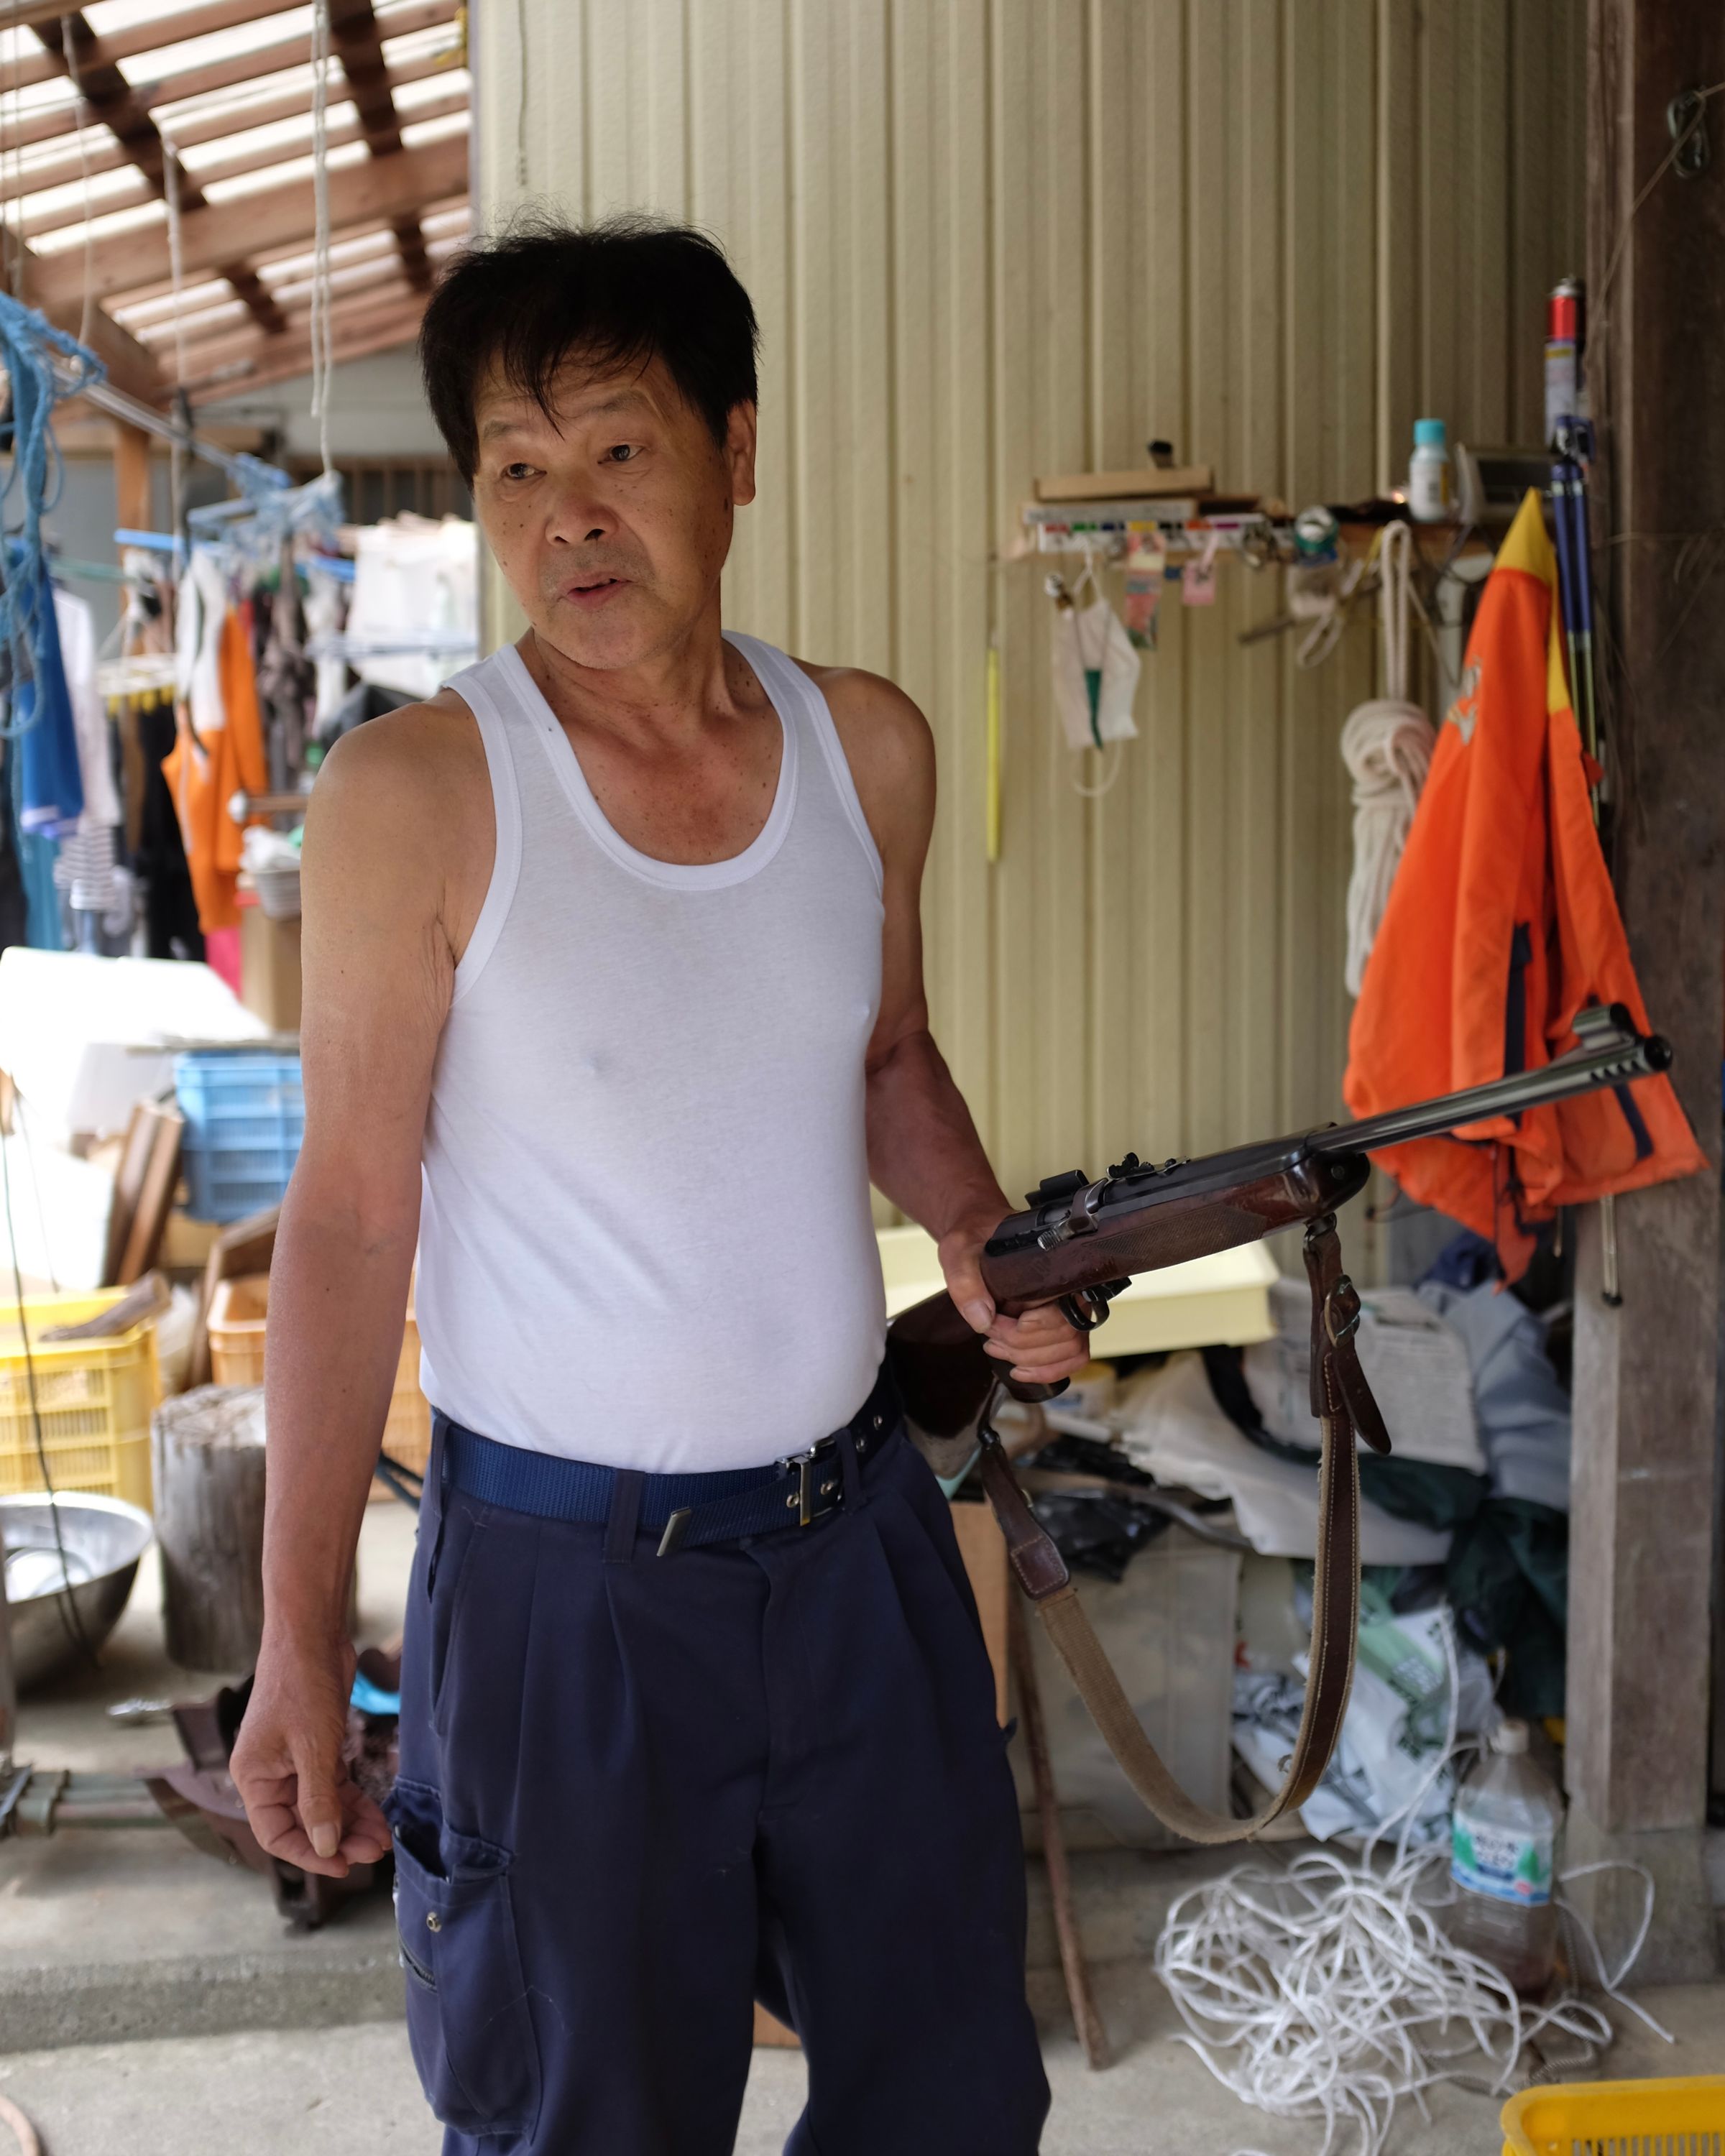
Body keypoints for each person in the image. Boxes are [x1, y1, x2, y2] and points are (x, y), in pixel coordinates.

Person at [231, 215, 1085, 2156]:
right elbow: (353, 1221)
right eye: (517, 471)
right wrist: (294, 1647)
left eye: (617, 448)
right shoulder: (418, 796)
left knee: (947, 2086)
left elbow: (884, 1056)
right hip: (561, 1599)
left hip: (858, 1544)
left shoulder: (865, 749)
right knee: (589, 2120)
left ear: (738, 449)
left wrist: (975, 1231)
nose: (569, 518)